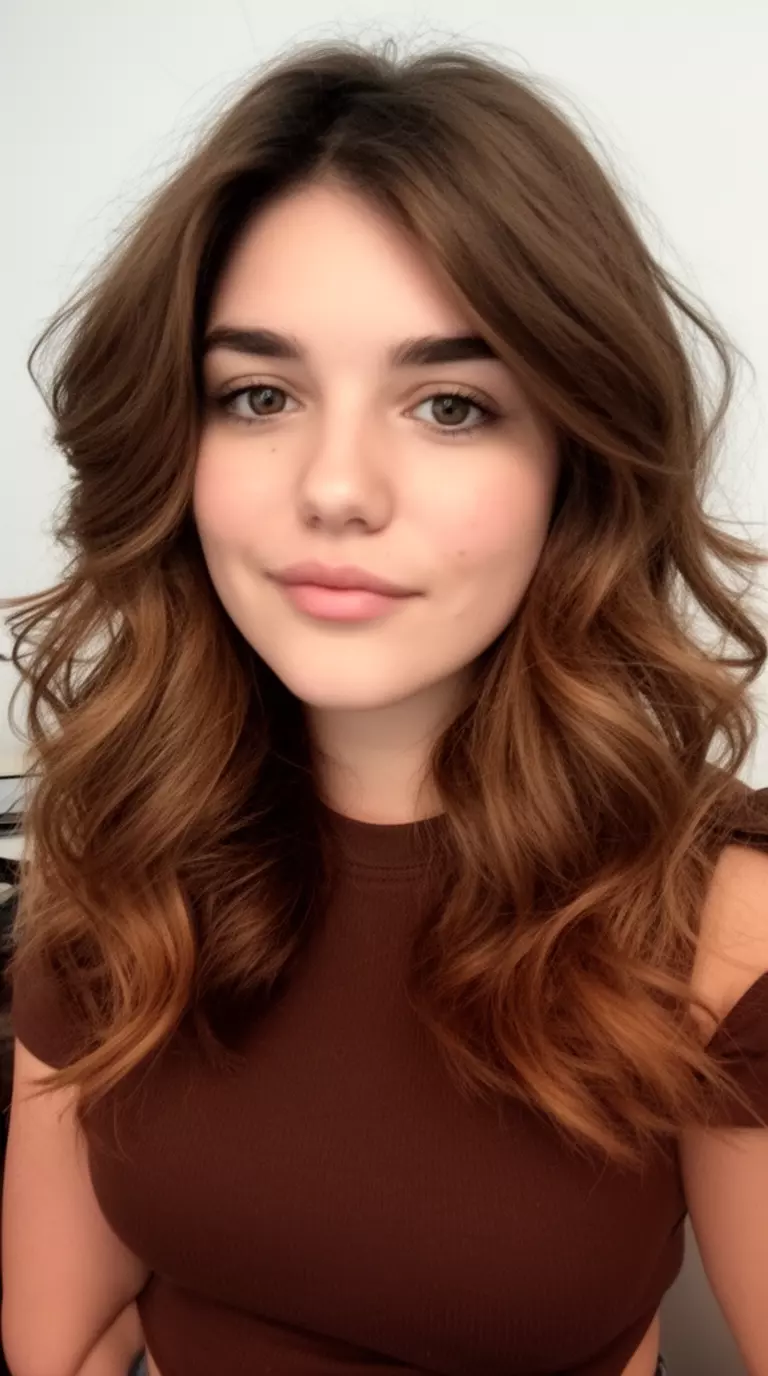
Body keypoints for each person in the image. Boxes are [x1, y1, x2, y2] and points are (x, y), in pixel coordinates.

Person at [2, 35, 768, 1376]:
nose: (338, 486)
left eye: (452, 406)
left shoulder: (719, 916)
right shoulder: (114, 840)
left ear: (571, 463)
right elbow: (57, 1346)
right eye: (258, 394)